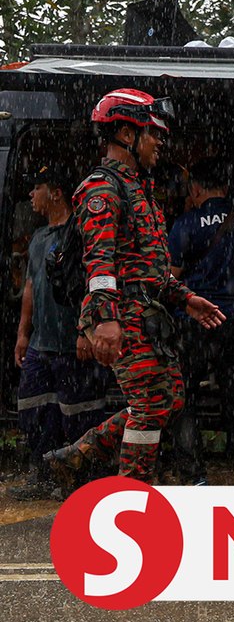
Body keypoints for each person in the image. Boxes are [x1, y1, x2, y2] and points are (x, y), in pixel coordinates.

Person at [44, 88, 225, 487]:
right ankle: (130, 495)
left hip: (142, 312)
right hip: (121, 312)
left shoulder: (139, 189)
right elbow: (100, 263)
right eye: (153, 133)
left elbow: (150, 271)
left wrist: (186, 298)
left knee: (170, 398)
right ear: (127, 134)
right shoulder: (102, 188)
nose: (160, 142)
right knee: (150, 403)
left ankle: (79, 455)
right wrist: (106, 320)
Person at [168, 158, 234, 485]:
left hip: (197, 320)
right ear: (226, 188)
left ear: (195, 189)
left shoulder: (186, 223)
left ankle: (194, 476)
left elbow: (170, 276)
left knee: (184, 396)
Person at [9, 166, 111, 500]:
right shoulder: (39, 237)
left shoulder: (80, 233)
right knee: (34, 408)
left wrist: (85, 330)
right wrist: (23, 334)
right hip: (41, 344)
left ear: (55, 193)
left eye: (36, 188)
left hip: (73, 343)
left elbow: (93, 283)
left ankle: (83, 481)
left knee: (79, 413)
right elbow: (29, 287)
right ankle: (42, 475)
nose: (31, 195)